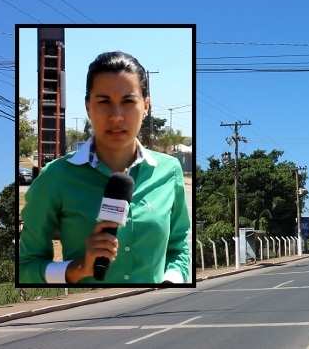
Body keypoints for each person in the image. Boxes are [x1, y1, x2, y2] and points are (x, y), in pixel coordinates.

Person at [19, 51, 190, 284]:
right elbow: (26, 266)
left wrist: (171, 283)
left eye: (128, 101)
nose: (117, 117)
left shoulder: (169, 170)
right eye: (104, 101)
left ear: (146, 106)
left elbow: (180, 247)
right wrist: (77, 269)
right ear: (88, 106)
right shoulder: (55, 177)